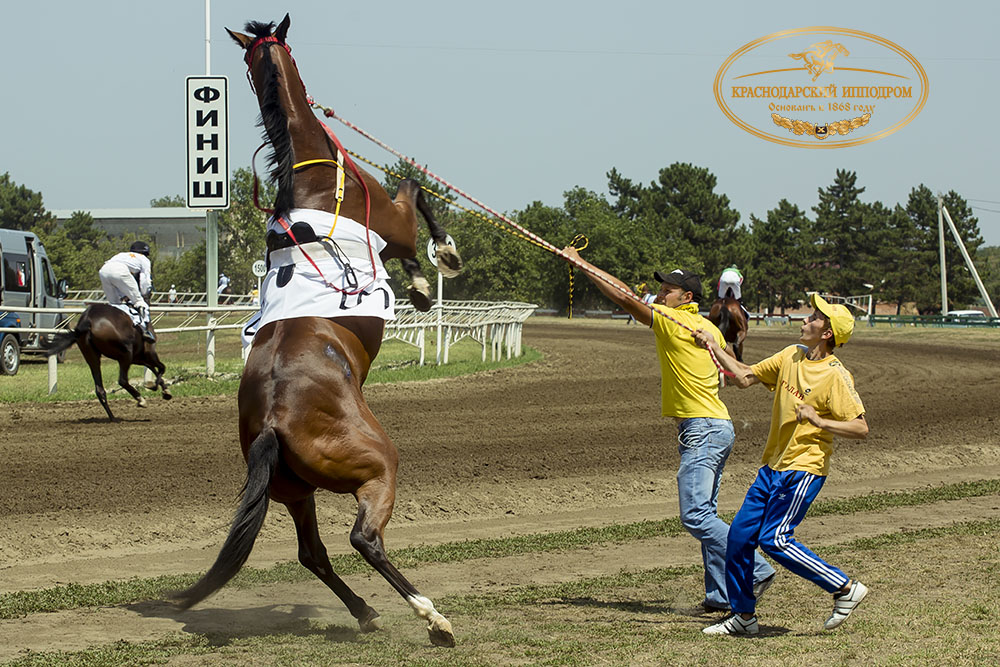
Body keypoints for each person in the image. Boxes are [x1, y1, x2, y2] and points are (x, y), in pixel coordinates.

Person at [562, 248, 776, 612]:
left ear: (686, 298)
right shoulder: (706, 326)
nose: (660, 295)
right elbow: (724, 351)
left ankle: (754, 567)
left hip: (703, 429)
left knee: (696, 516)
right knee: (706, 511)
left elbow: (624, 296)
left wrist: (582, 265)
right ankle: (719, 595)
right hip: (717, 427)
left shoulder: (672, 319)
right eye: (661, 290)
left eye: (668, 290)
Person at [697, 293, 869, 636]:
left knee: (775, 539)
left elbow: (861, 427)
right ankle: (744, 617)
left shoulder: (836, 375)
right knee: (739, 538)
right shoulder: (791, 354)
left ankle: (845, 589)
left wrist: (820, 421)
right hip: (772, 467)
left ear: (827, 333)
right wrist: (714, 347)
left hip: (804, 468)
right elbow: (745, 377)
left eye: (815, 318)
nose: (805, 319)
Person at [99, 240, 155, 342]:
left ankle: (114, 327)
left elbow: (120, 281)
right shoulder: (144, 260)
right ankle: (144, 330)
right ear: (145, 253)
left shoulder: (121, 255)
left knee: (115, 304)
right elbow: (144, 281)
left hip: (103, 271)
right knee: (140, 302)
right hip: (120, 271)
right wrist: (143, 293)